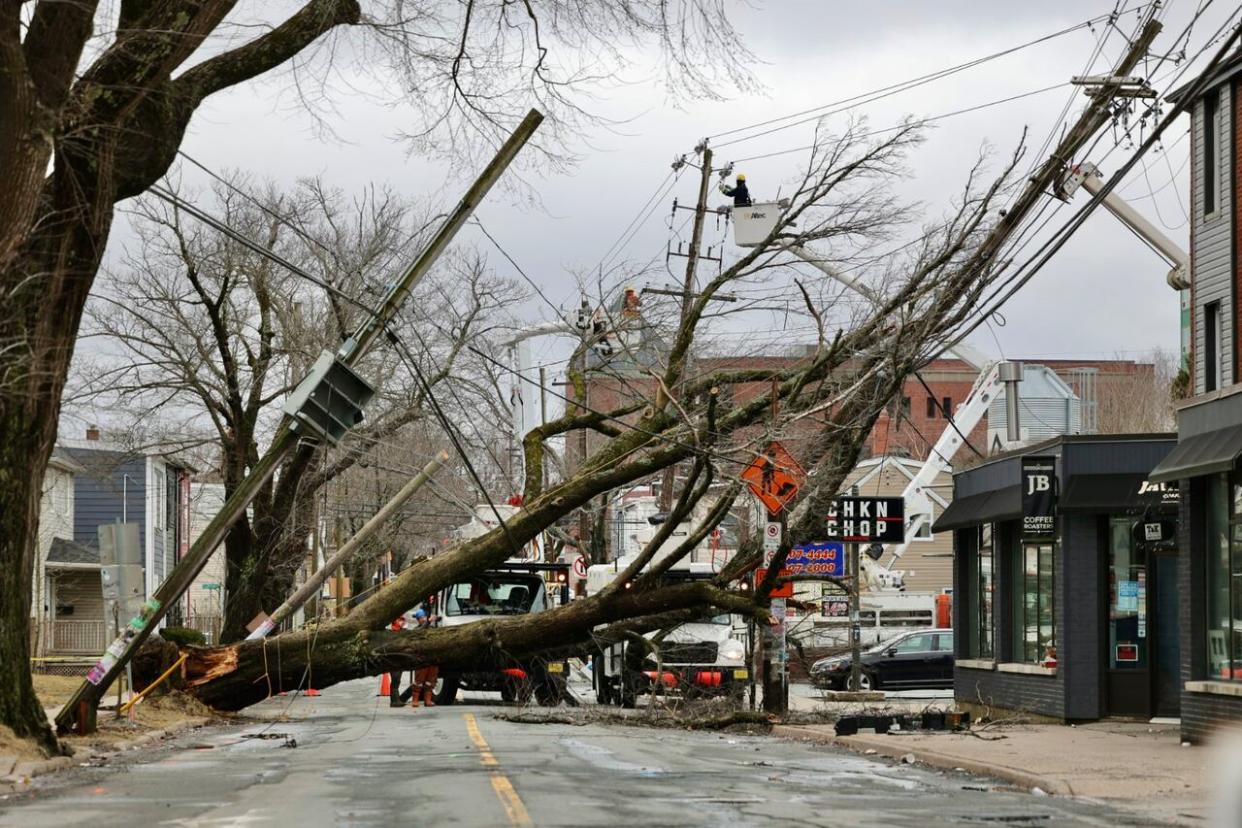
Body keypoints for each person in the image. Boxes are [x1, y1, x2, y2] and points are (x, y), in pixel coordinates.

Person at [387, 615, 408, 707]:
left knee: (397, 680)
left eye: (402, 620)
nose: (402, 622)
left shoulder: (403, 632)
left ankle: (396, 700)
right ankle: (394, 701)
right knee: (395, 679)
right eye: (400, 620)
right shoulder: (389, 633)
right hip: (393, 660)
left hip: (400, 660)